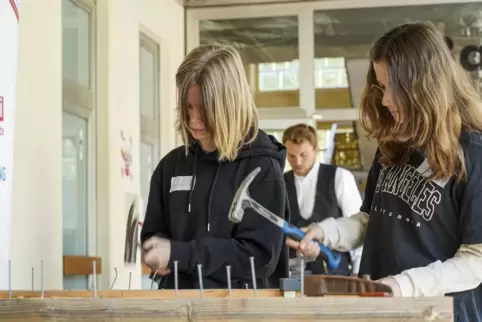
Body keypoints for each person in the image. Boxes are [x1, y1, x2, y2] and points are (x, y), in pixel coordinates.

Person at [287, 22, 482, 322]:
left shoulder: (473, 152)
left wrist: (403, 285)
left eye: (393, 87)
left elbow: (476, 261)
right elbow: (371, 219)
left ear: (424, 86)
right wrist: (328, 232)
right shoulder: (393, 144)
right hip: (384, 309)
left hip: (440, 314)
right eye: (381, 86)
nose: (386, 99)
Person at [140, 43, 289, 290]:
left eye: (205, 109)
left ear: (228, 105)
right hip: (177, 307)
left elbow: (259, 256)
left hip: (239, 310)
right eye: (188, 107)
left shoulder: (263, 170)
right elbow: (155, 233)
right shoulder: (170, 166)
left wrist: (179, 254)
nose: (194, 119)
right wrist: (155, 249)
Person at [282, 123, 363, 276]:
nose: (297, 162)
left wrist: (359, 270)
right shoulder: (281, 183)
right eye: (291, 156)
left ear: (315, 149)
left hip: (336, 272)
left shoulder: (340, 177)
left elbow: (358, 226)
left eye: (303, 155)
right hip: (294, 273)